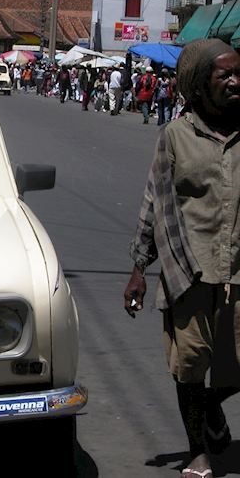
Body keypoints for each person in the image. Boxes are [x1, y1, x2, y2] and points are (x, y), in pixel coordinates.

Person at [124, 39, 240, 478]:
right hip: (188, 270)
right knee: (190, 369)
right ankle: (198, 452)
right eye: (224, 75)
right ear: (198, 84)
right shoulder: (174, 135)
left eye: (239, 73)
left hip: (239, 269)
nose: (235, 82)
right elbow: (155, 201)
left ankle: (212, 408)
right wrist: (139, 268)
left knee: (235, 369)